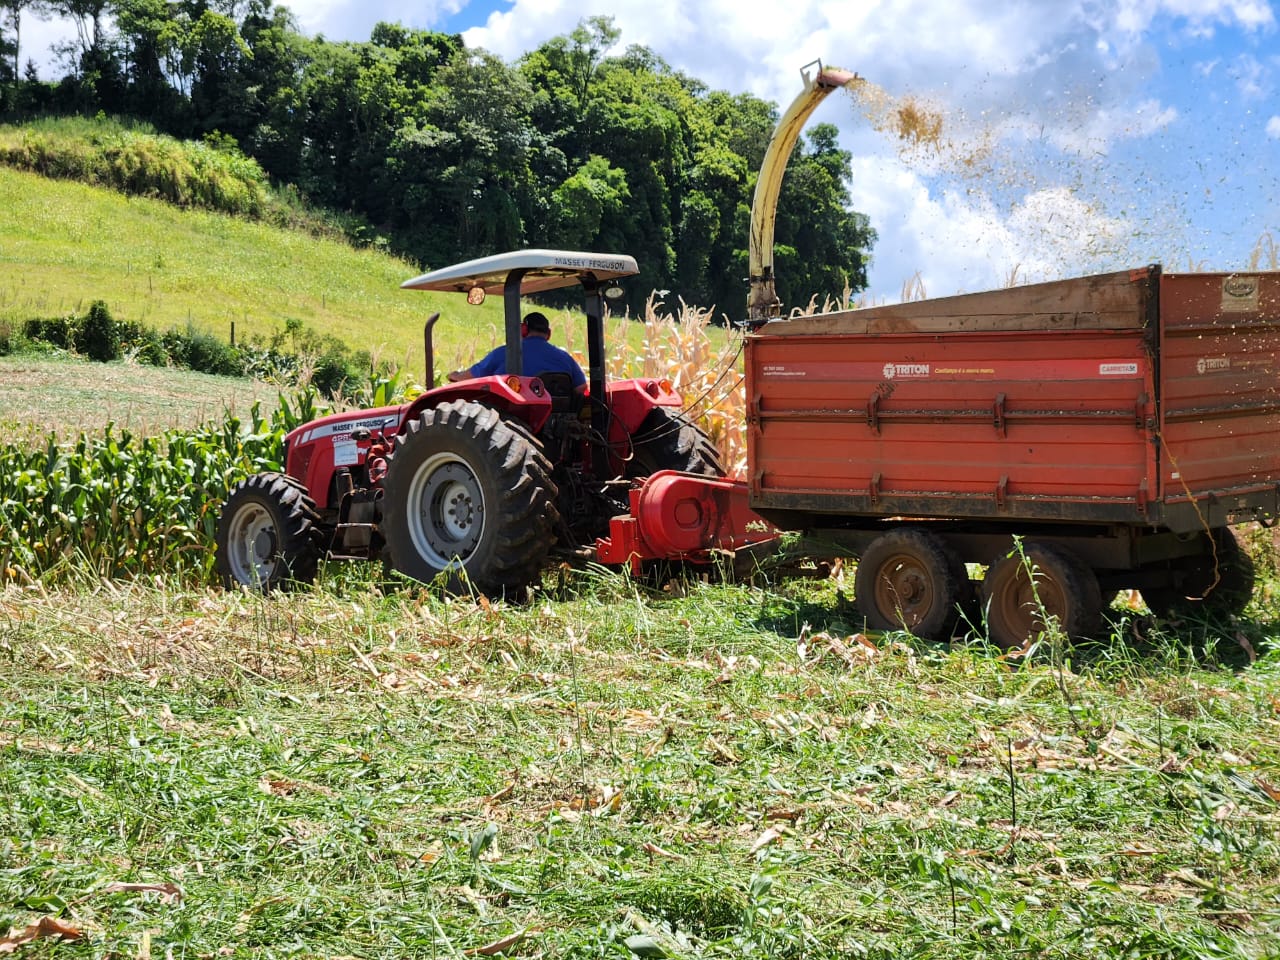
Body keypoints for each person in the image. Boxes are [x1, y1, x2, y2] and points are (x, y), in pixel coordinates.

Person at [448, 311, 586, 393]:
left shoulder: (505, 353)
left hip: (510, 423)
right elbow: (581, 387)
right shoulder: (565, 357)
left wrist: (455, 375)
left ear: (523, 330)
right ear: (548, 333)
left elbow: (472, 377)